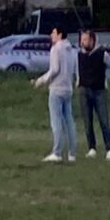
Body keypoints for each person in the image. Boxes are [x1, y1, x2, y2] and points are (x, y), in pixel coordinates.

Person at [32, 22, 78, 162]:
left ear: (59, 34)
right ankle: (72, 153)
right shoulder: (72, 49)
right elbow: (75, 68)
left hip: (57, 89)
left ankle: (57, 152)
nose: (51, 35)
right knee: (69, 120)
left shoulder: (56, 49)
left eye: (53, 32)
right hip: (68, 88)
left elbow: (54, 69)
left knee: (56, 121)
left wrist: (40, 81)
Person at [77, 25, 110, 159]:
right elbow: (77, 69)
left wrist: (106, 77)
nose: (83, 42)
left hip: (99, 91)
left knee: (104, 121)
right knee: (87, 122)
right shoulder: (80, 54)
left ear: (92, 40)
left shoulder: (102, 53)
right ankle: (91, 147)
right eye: (82, 39)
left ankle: (109, 148)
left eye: (85, 39)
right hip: (84, 90)